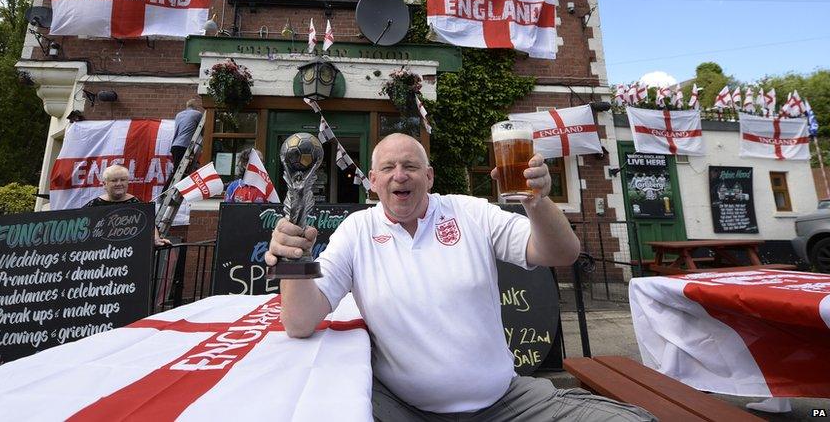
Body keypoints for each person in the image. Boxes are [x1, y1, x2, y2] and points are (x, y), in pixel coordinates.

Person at [268, 133, 654, 421]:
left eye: (411, 166)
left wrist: (538, 201)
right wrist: (292, 261)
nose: (399, 176)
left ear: (429, 176)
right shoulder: (356, 230)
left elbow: (560, 253)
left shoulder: (469, 212)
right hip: (405, 410)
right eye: (388, 168)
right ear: (372, 180)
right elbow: (299, 322)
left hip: (507, 404)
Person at [85, 165, 169, 246]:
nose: (119, 184)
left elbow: (150, 225)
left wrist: (156, 240)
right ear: (104, 184)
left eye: (123, 180)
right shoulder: (94, 204)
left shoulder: (137, 203)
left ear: (127, 182)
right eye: (114, 180)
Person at [170, 99, 204, 178]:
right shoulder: (197, 114)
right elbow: (203, 129)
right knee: (178, 173)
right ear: (195, 106)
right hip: (185, 146)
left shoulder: (179, 114)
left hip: (175, 145)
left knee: (178, 171)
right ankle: (168, 190)